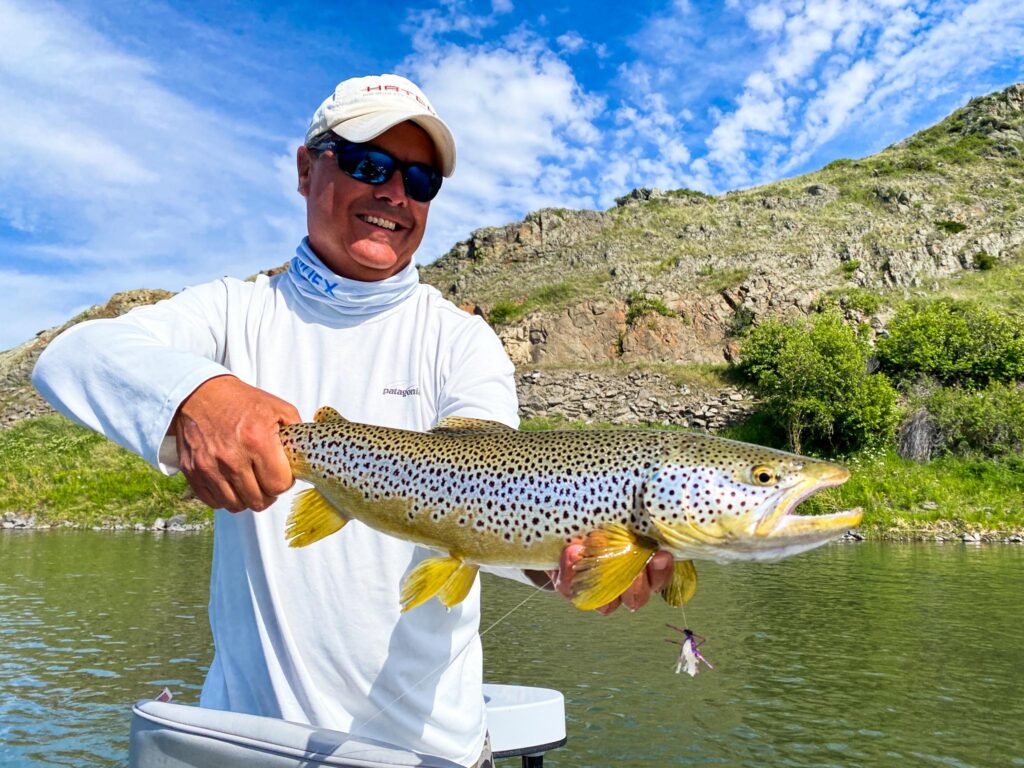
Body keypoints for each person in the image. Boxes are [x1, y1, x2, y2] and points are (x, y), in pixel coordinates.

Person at [32, 73, 672, 767]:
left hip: (429, 756)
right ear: (307, 169)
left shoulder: (459, 340)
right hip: (245, 745)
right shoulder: (230, 314)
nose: (395, 193)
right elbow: (71, 357)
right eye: (370, 164)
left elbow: (494, 502)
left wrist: (567, 566)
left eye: (420, 179)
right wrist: (199, 395)